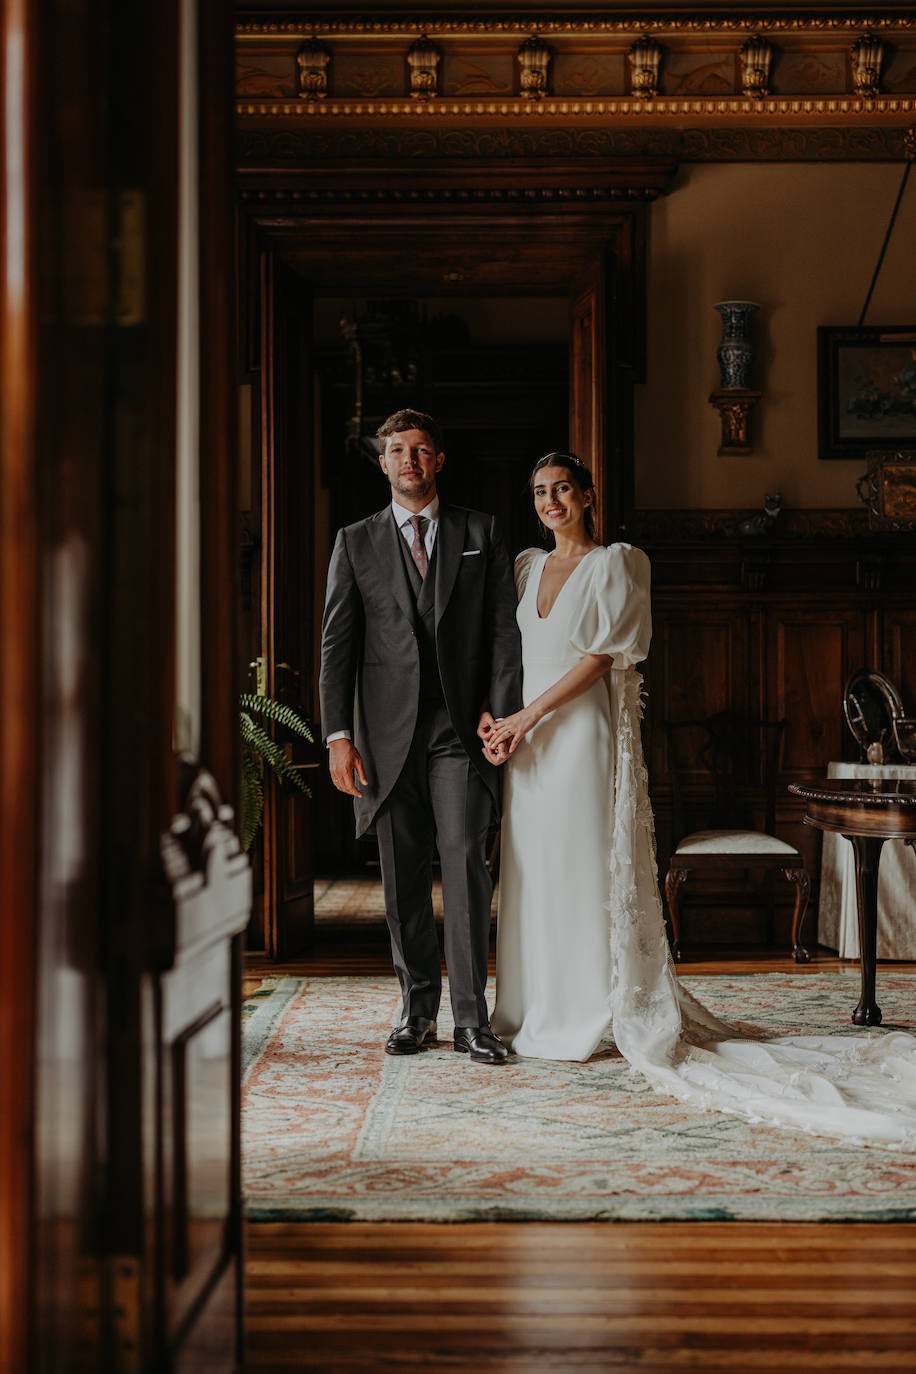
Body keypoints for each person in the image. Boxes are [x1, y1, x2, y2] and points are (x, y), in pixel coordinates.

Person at [482, 450, 916, 1149]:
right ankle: (532, 1006)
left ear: (588, 495)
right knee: (532, 867)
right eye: (539, 491)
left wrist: (528, 716)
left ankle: (589, 1008)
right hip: (525, 740)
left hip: (576, 735)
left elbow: (598, 660)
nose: (551, 500)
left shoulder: (618, 562)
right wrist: (496, 715)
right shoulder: (526, 569)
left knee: (580, 865)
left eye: (563, 488)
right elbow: (510, 655)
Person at [319, 409, 522, 1065]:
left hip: (459, 731)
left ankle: (471, 1020)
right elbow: (337, 645)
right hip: (381, 736)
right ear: (382, 462)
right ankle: (416, 1012)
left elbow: (501, 632)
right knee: (401, 875)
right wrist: (338, 737)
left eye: (421, 450)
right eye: (397, 450)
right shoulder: (355, 542)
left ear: (438, 461)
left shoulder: (479, 531)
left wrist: (503, 710)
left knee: (466, 862)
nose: (409, 459)